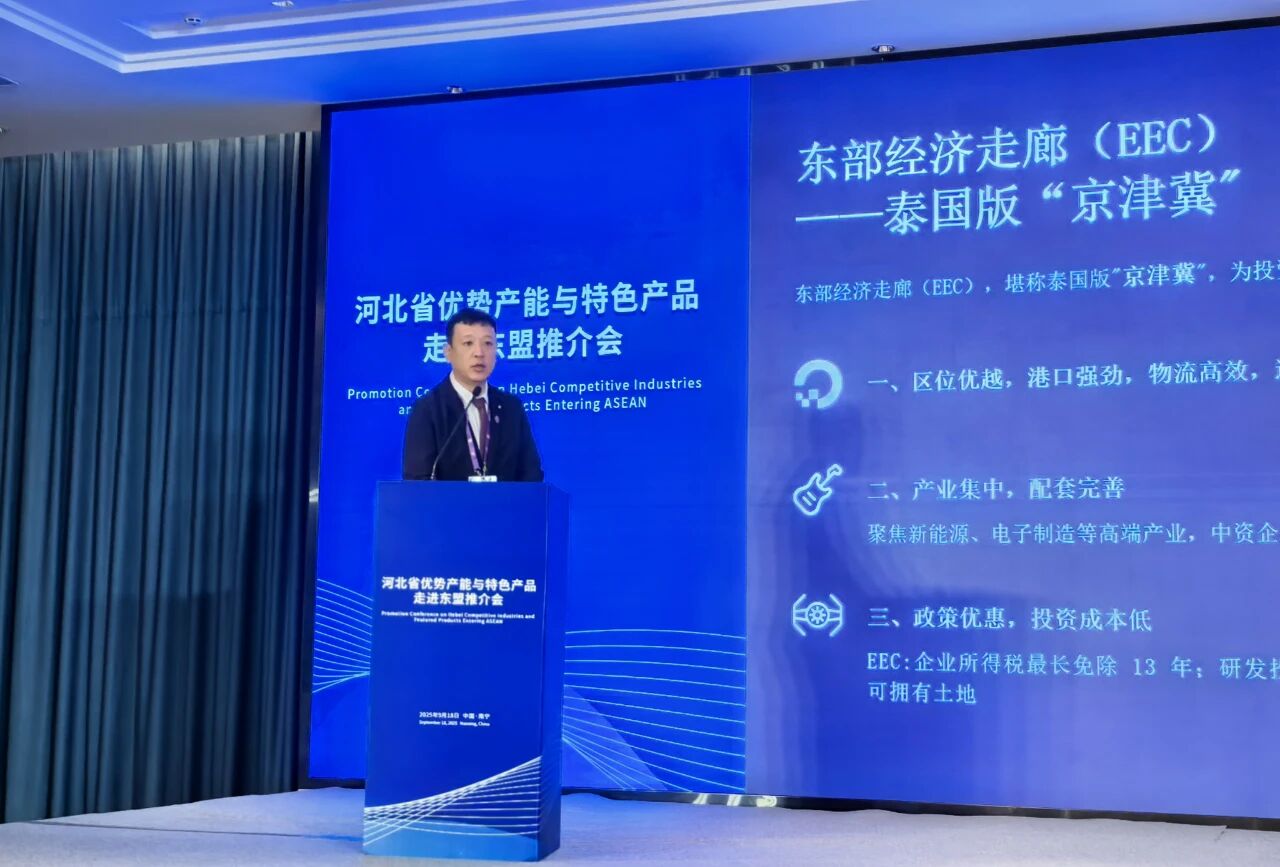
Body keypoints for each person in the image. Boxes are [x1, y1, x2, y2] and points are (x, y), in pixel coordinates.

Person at [402, 308, 544, 482]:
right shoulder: (428, 409)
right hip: (446, 501)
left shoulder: (512, 408)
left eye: (488, 343)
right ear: (448, 353)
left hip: (505, 502)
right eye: (468, 343)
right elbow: (417, 480)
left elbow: (531, 476)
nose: (479, 353)